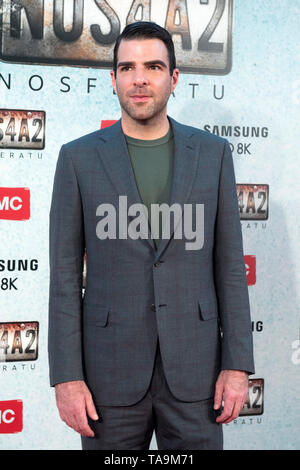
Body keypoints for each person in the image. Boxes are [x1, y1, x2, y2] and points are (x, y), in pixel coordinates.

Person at [48, 21, 255, 450]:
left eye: (154, 66)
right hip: (109, 376)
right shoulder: (77, 159)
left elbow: (230, 267)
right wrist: (67, 377)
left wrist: (237, 366)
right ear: (113, 78)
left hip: (197, 373)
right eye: (127, 68)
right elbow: (64, 280)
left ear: (174, 78)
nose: (139, 79)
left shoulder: (213, 154)